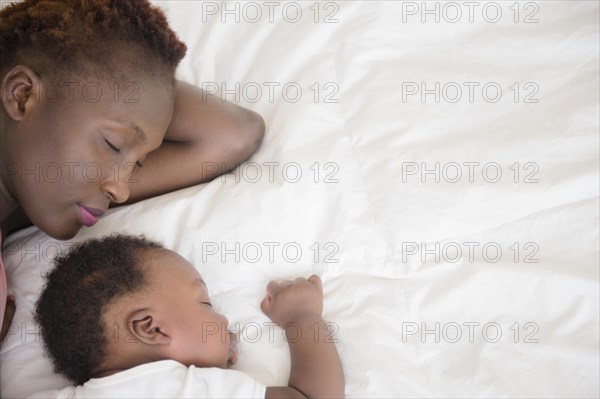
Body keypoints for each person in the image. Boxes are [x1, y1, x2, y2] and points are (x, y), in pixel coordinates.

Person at [0, 0, 265, 341]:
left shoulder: (27, 192)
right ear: (22, 95)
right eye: (112, 143)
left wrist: (144, 83)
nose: (121, 189)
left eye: (138, 162)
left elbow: (231, 135)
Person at [33, 234, 345, 398]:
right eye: (205, 305)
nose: (224, 322)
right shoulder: (187, 389)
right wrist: (300, 316)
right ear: (151, 328)